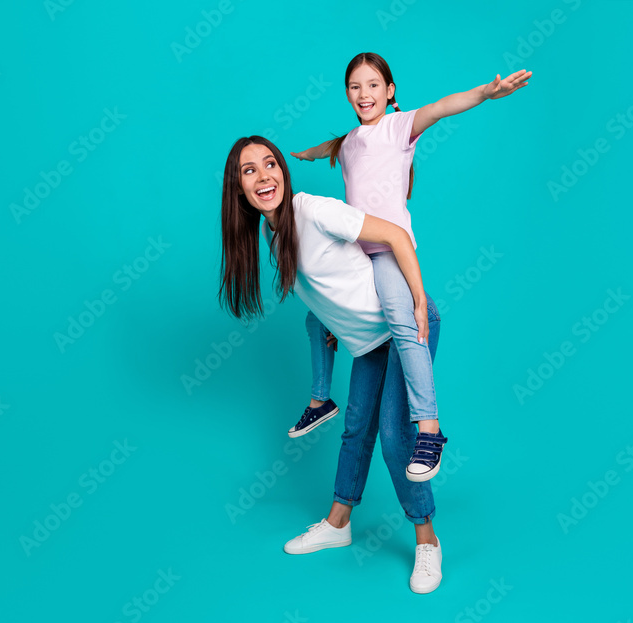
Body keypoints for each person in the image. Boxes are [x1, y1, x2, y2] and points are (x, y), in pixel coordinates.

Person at [290, 52, 532, 481]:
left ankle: (429, 429)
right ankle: (320, 400)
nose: (364, 94)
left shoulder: (399, 127)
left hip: (385, 252)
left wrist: (487, 93)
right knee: (316, 315)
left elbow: (442, 106)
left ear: (390, 91)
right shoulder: (347, 143)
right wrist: (308, 154)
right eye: (354, 86)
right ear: (347, 94)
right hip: (355, 253)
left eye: (372, 85)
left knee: (406, 322)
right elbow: (336, 145)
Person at [218, 136, 444, 593]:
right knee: (356, 427)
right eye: (249, 170)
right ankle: (338, 524)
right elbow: (329, 285)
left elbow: (395, 235)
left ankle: (428, 541)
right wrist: (327, 320)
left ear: (284, 169)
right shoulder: (272, 231)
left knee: (393, 435)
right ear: (238, 188)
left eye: (270, 164)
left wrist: (418, 301)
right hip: (369, 344)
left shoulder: (313, 210)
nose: (264, 176)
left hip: (405, 329)